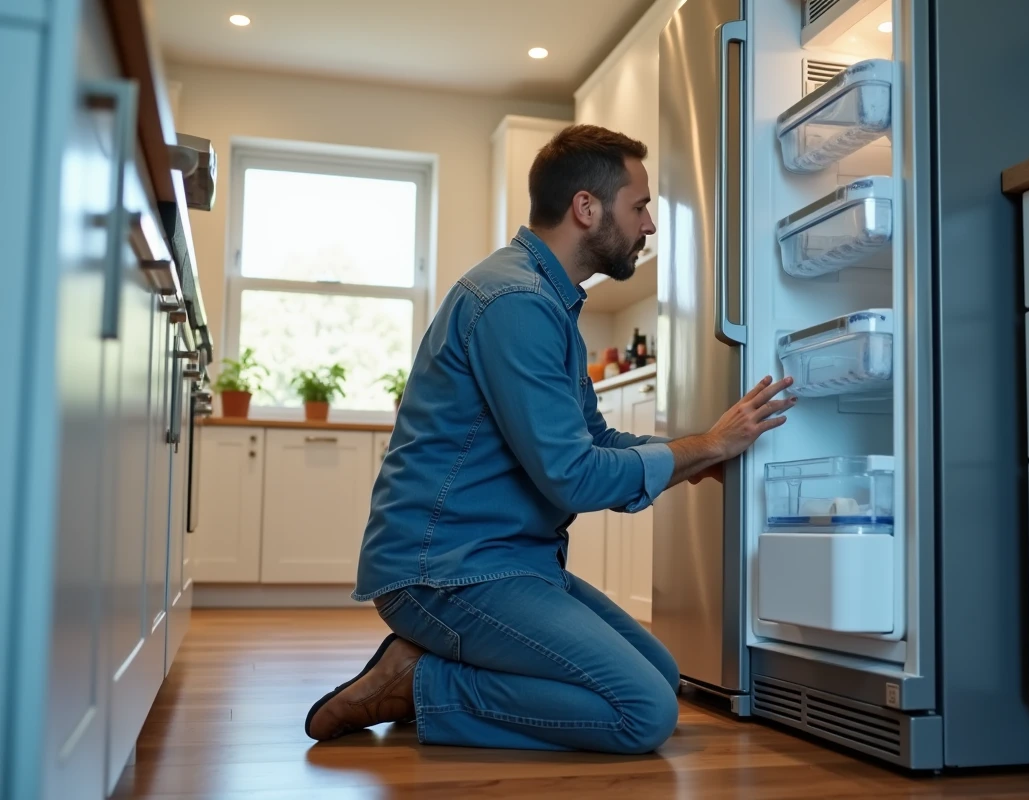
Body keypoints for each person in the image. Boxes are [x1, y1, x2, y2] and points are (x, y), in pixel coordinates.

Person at [304, 124, 794, 754]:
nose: (648, 226)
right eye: (639, 206)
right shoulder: (516, 301)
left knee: (664, 678)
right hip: (447, 572)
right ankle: (419, 683)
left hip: (508, 562)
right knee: (641, 713)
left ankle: (435, 671)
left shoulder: (547, 302)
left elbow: (595, 438)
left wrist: (692, 460)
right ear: (586, 208)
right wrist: (701, 448)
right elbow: (573, 475)